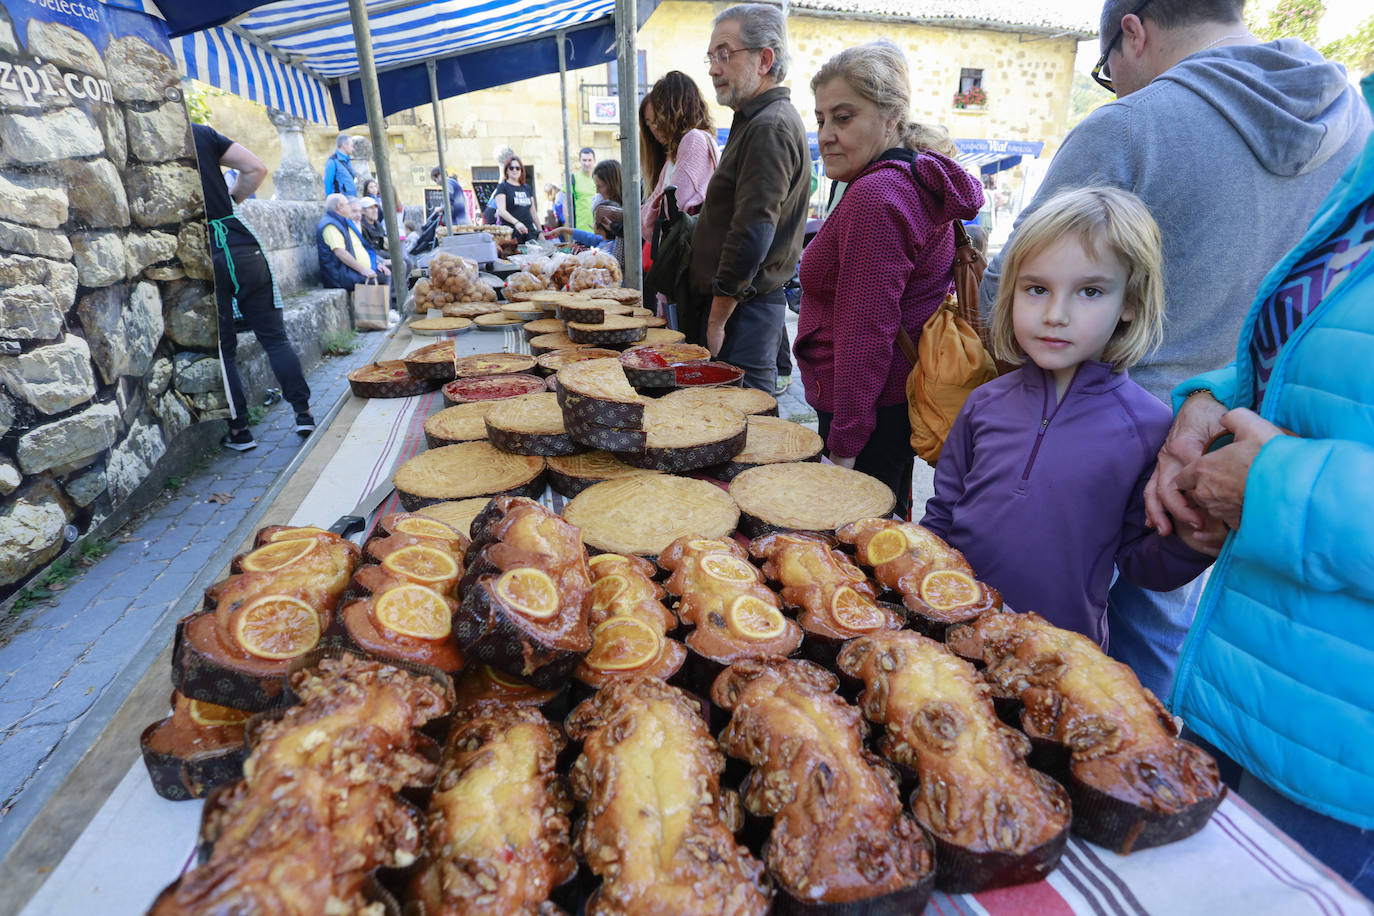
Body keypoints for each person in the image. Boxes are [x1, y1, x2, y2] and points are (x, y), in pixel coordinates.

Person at [977, 0, 1372, 698]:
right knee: (1154, 651)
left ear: (1133, 31)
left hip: (1109, 428)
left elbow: (1007, 282)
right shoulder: (1356, 132)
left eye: (1107, 72)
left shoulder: (1132, 126)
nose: (1117, 84)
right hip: (1245, 445)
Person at [1145, 74, 1374, 892]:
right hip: (1255, 688)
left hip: (1345, 760)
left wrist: (1275, 486)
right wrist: (1215, 398)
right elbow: (1330, 376)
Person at [923, 186, 1211, 648]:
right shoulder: (982, 404)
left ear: (1129, 303)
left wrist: (1195, 541)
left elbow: (1144, 563)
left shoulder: (1151, 429)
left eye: (1090, 291)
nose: (1055, 314)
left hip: (1058, 656)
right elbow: (942, 514)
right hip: (950, 634)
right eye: (1037, 289)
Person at [795, 43, 983, 519]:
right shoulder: (905, 179)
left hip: (867, 412)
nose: (826, 135)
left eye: (844, 117)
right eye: (820, 120)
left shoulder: (877, 197)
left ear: (891, 118)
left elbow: (866, 334)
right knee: (891, 522)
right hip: (891, 403)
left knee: (860, 547)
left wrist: (845, 447)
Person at [689, 3, 810, 393]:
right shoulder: (757, 120)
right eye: (711, 57)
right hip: (744, 308)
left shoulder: (769, 126)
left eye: (724, 54)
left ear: (764, 59)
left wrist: (716, 321)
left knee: (744, 426)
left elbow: (752, 233)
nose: (712, 68)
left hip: (745, 312)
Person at [192, 124, 314, 449]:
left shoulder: (145, 137)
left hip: (198, 252)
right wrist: (231, 199)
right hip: (241, 244)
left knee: (224, 350)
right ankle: (303, 413)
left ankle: (240, 432)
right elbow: (256, 168)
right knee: (275, 338)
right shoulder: (201, 133)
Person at [640, 71, 717, 240]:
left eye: (659, 112)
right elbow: (656, 205)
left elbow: (669, 211)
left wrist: (648, 213)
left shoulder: (694, 140)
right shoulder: (676, 153)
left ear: (674, 108)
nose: (655, 125)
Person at [317, 193, 386, 289]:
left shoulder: (340, 222)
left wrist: (375, 264)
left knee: (386, 272)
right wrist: (363, 270)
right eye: (347, 204)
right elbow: (340, 253)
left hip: (347, 271)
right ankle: (391, 303)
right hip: (340, 276)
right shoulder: (330, 225)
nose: (349, 206)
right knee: (384, 277)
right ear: (339, 207)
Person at [491, 156, 538, 243]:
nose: (515, 170)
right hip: (512, 233)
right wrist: (517, 223)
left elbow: (533, 212)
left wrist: (540, 231)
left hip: (529, 232)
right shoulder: (502, 187)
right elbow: (501, 211)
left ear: (521, 170)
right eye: (511, 168)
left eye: (517, 168)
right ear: (506, 170)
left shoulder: (526, 187)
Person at [567, 147, 597, 230]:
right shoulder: (573, 178)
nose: (587, 163)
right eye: (584, 160)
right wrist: (570, 230)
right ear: (579, 161)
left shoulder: (599, 179)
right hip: (580, 231)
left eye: (589, 160)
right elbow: (566, 206)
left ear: (594, 161)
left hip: (598, 231)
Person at [322, 133, 357, 197]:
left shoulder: (348, 161)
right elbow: (328, 184)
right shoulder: (332, 162)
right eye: (351, 146)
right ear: (344, 145)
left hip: (352, 199)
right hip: (341, 202)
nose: (353, 149)